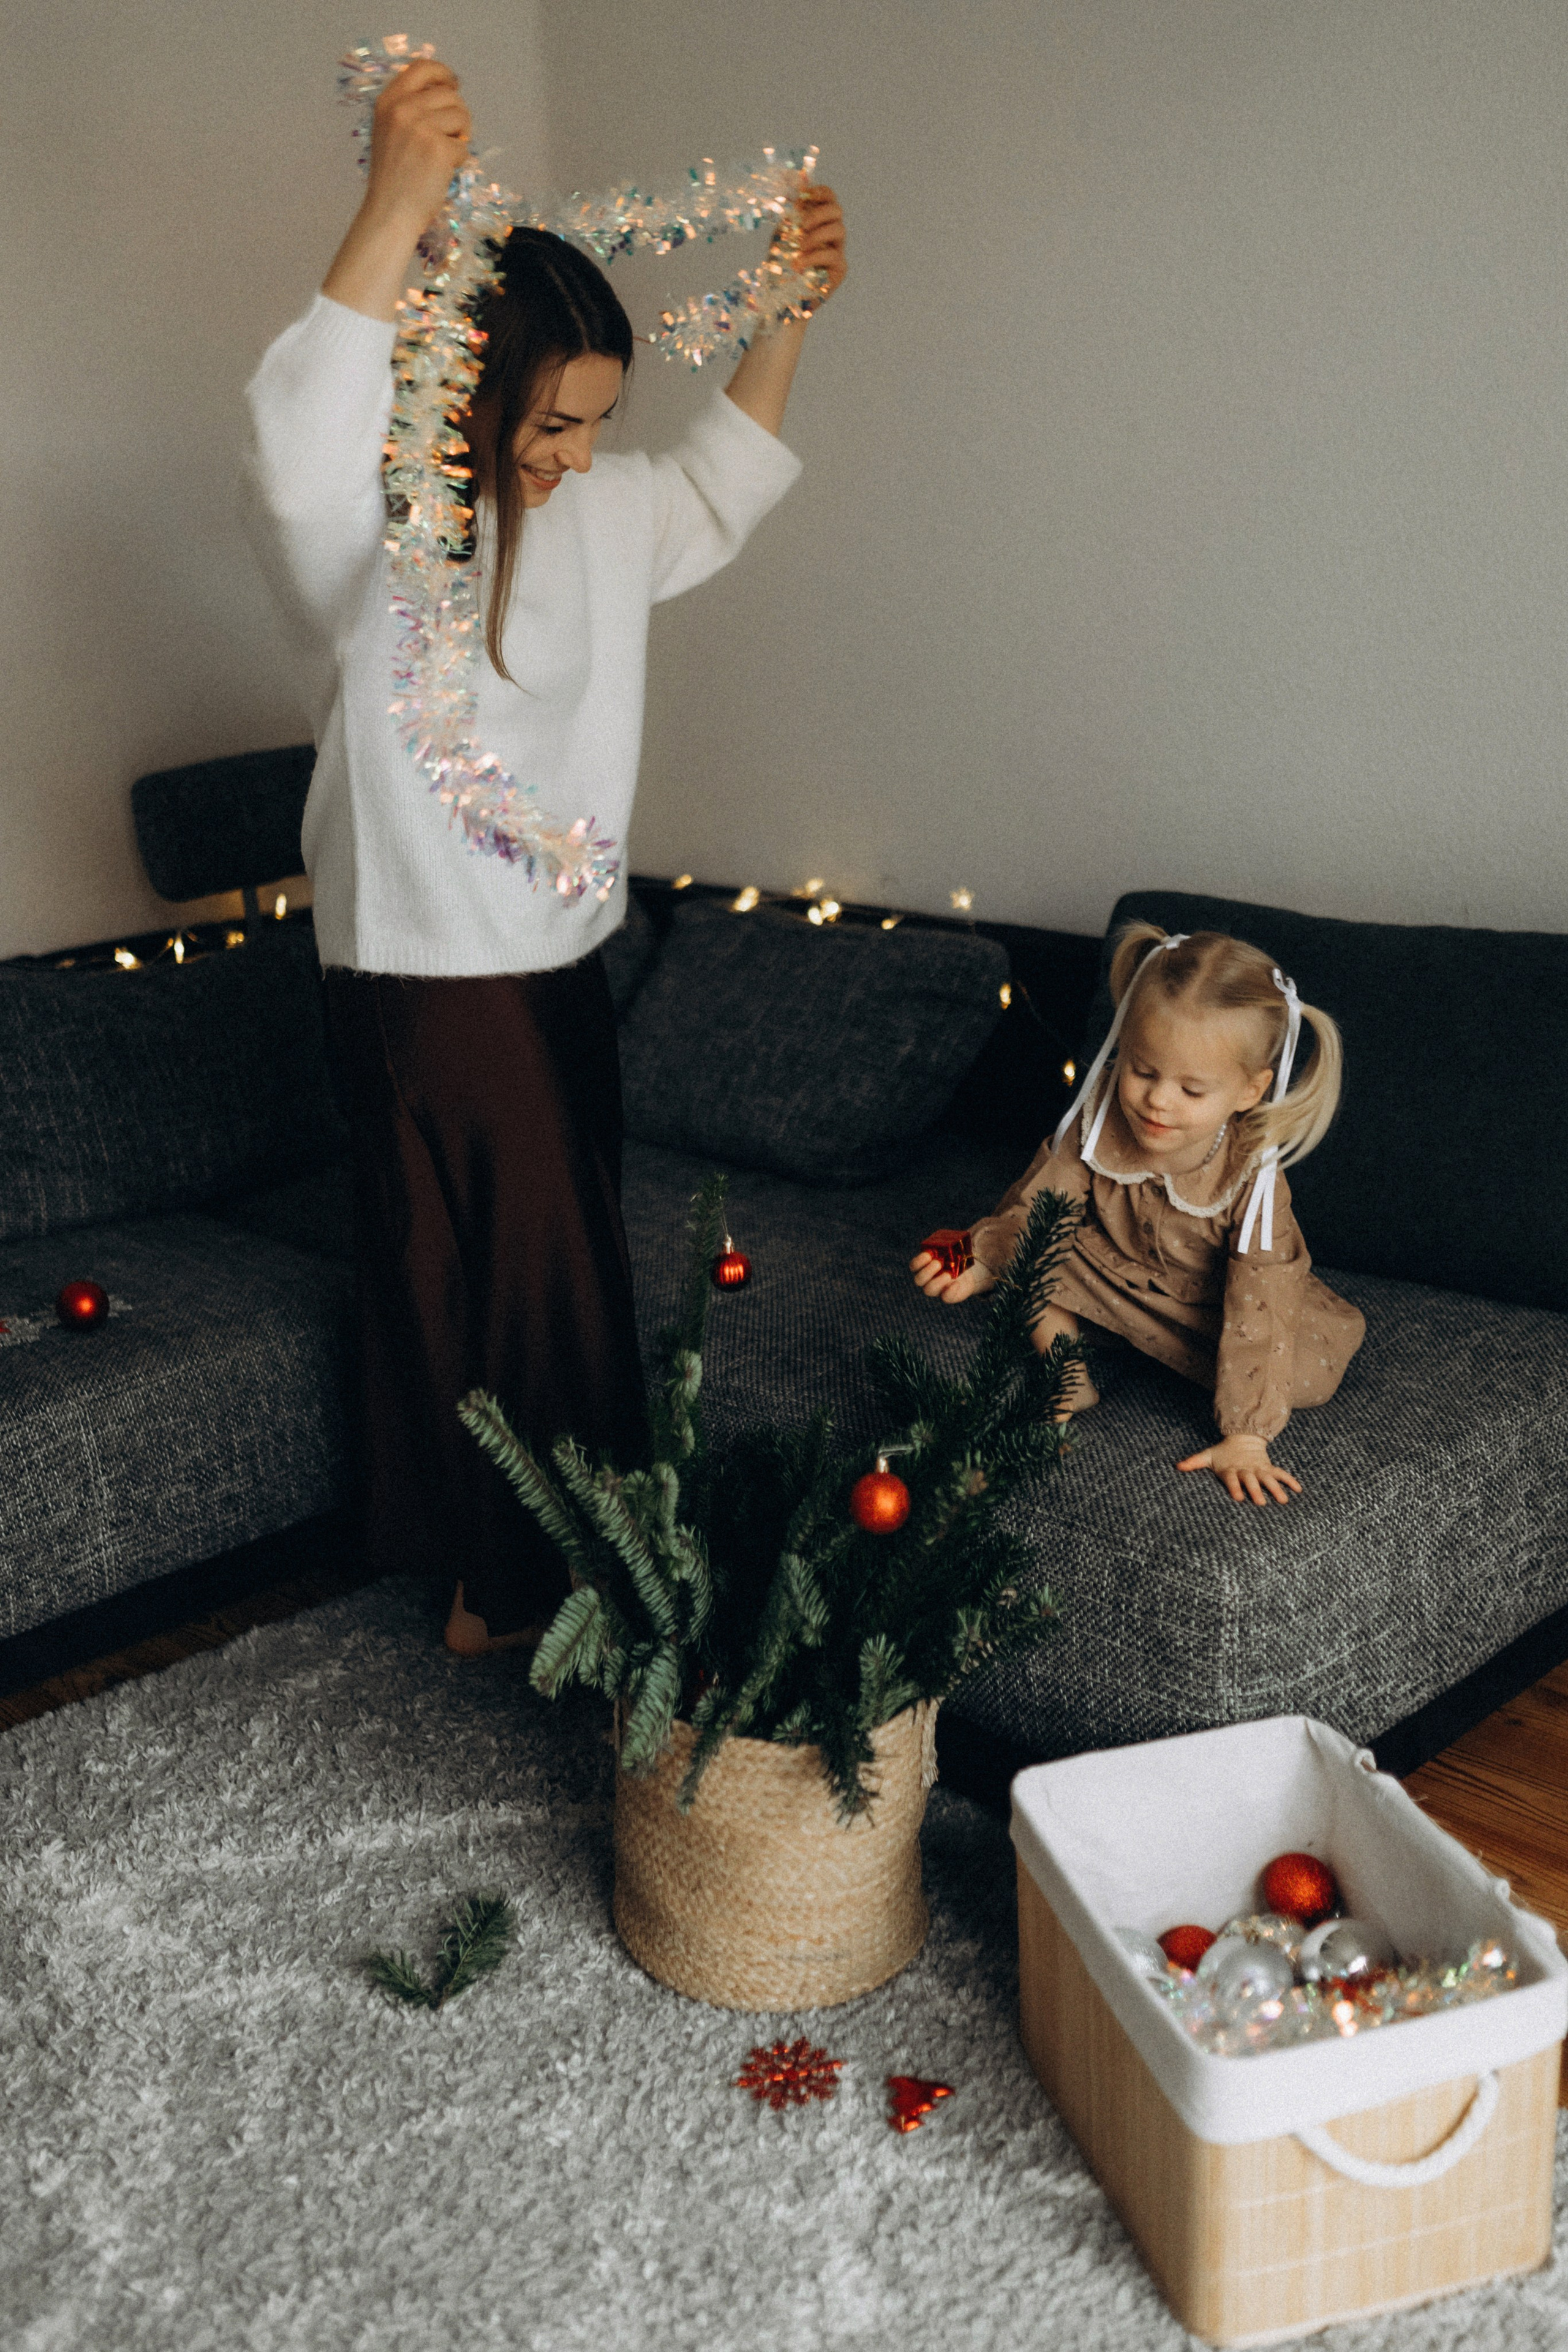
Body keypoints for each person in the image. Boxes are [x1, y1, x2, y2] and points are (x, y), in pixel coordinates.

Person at [243, 58, 847, 1649]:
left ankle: (497, 1576)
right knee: (510, 1276)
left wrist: (788, 310)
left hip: (561, 948)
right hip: (422, 966)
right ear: (466, 393)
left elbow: (718, 485)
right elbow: (294, 442)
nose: (579, 452)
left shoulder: (603, 512)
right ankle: (521, 1586)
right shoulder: (372, 530)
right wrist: (395, 205)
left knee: (541, 1261)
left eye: (598, 422)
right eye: (555, 421)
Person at [910, 924, 1365, 1506]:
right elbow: (1045, 1206)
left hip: (1213, 1305)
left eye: (1192, 1090)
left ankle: (1136, 1339)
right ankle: (1066, 1374)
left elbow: (1263, 1293)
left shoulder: (1252, 1175)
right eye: (1143, 1071)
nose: (1158, 1100)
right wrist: (986, 1256)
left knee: (1305, 1369)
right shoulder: (1099, 1114)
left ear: (1249, 1092)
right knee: (1031, 1247)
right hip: (1109, 1268)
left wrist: (1247, 1435)